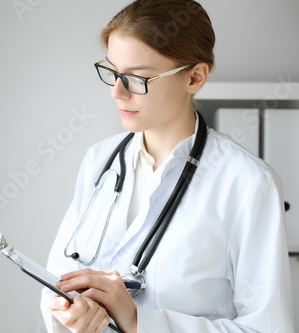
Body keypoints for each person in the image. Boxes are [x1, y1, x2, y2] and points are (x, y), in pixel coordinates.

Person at [40, 0, 294, 332]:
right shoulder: (99, 161)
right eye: (113, 72)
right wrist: (69, 310)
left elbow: (268, 329)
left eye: (137, 77)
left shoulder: (247, 183)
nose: (117, 92)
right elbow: (57, 280)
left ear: (194, 78)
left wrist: (138, 320)